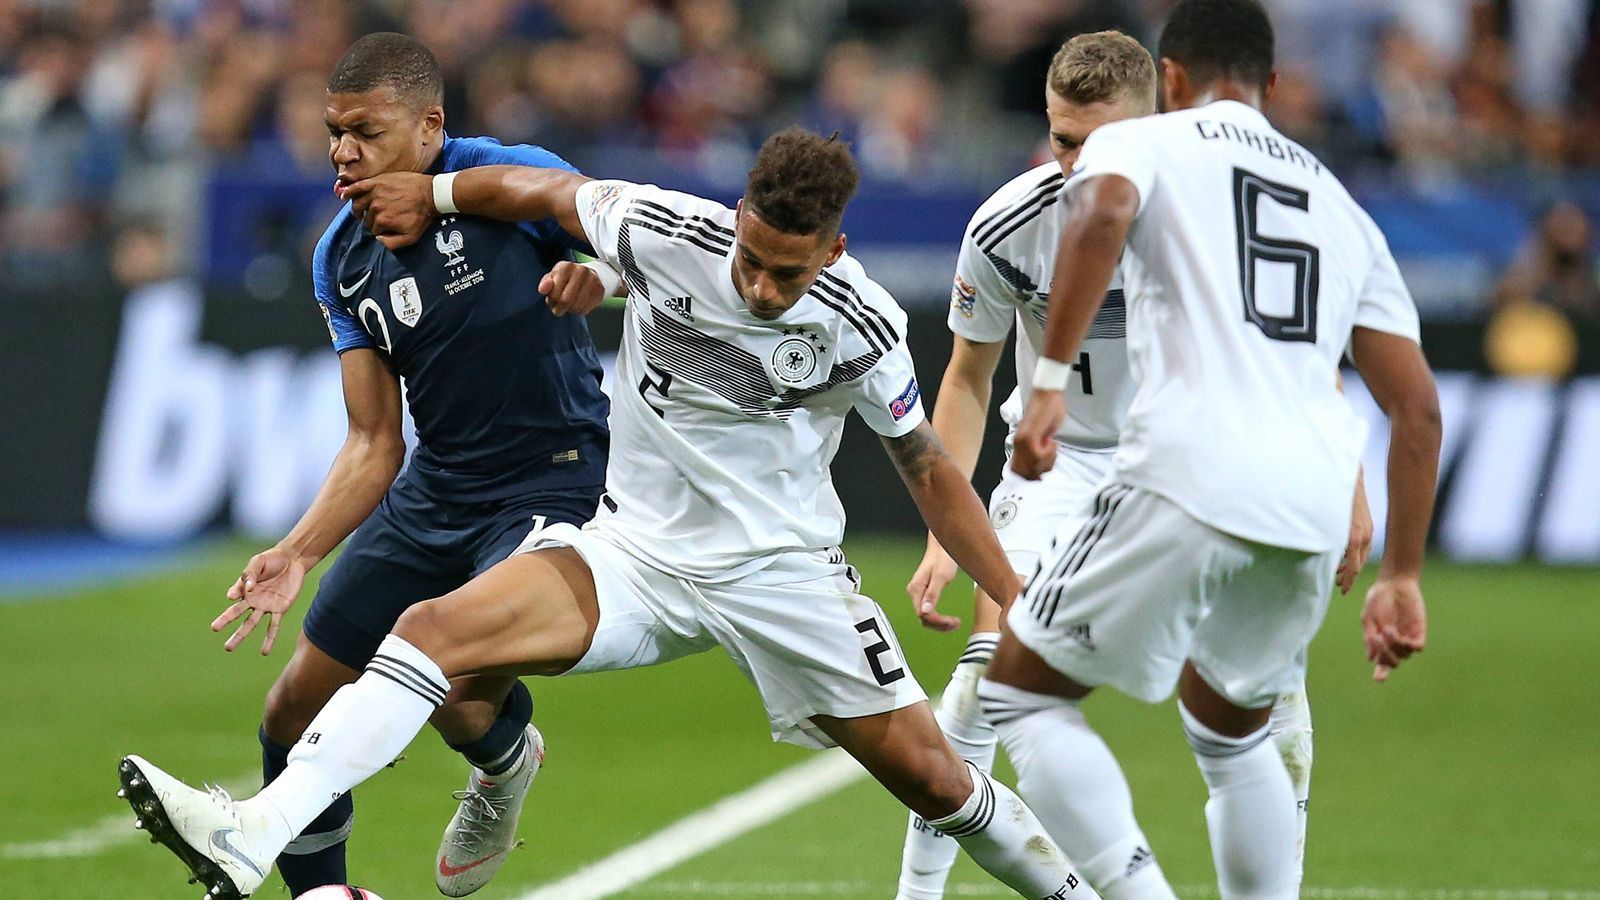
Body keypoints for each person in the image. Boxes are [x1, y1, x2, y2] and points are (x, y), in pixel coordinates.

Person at [118, 127, 1100, 900]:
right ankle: (256, 831)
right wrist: (442, 193)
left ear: (833, 251)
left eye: (786, 273)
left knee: (938, 784)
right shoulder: (665, 228)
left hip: (783, 577)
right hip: (633, 554)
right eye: (752, 257)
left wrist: (1011, 597)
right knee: (431, 631)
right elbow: (539, 193)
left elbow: (928, 470)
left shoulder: (864, 324)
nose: (759, 286)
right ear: (737, 216)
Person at [977, 2, 1442, 898]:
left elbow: (1102, 207)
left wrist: (1046, 385)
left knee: (1021, 694)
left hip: (1186, 466)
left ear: (1172, 80)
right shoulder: (1344, 209)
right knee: (1232, 730)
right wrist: (1404, 575)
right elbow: (1416, 409)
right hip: (1309, 498)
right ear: (1272, 86)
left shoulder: (1147, 142)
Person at [206, 32, 615, 898]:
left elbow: (625, 234)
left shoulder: (507, 174)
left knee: (450, 678)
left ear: (431, 127)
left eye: (366, 131)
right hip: (438, 488)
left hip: (551, 476)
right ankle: (323, 894)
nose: (341, 153)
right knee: (290, 711)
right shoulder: (338, 255)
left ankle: (503, 766)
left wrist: (596, 278)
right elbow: (373, 442)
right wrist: (297, 553)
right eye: (332, 131)